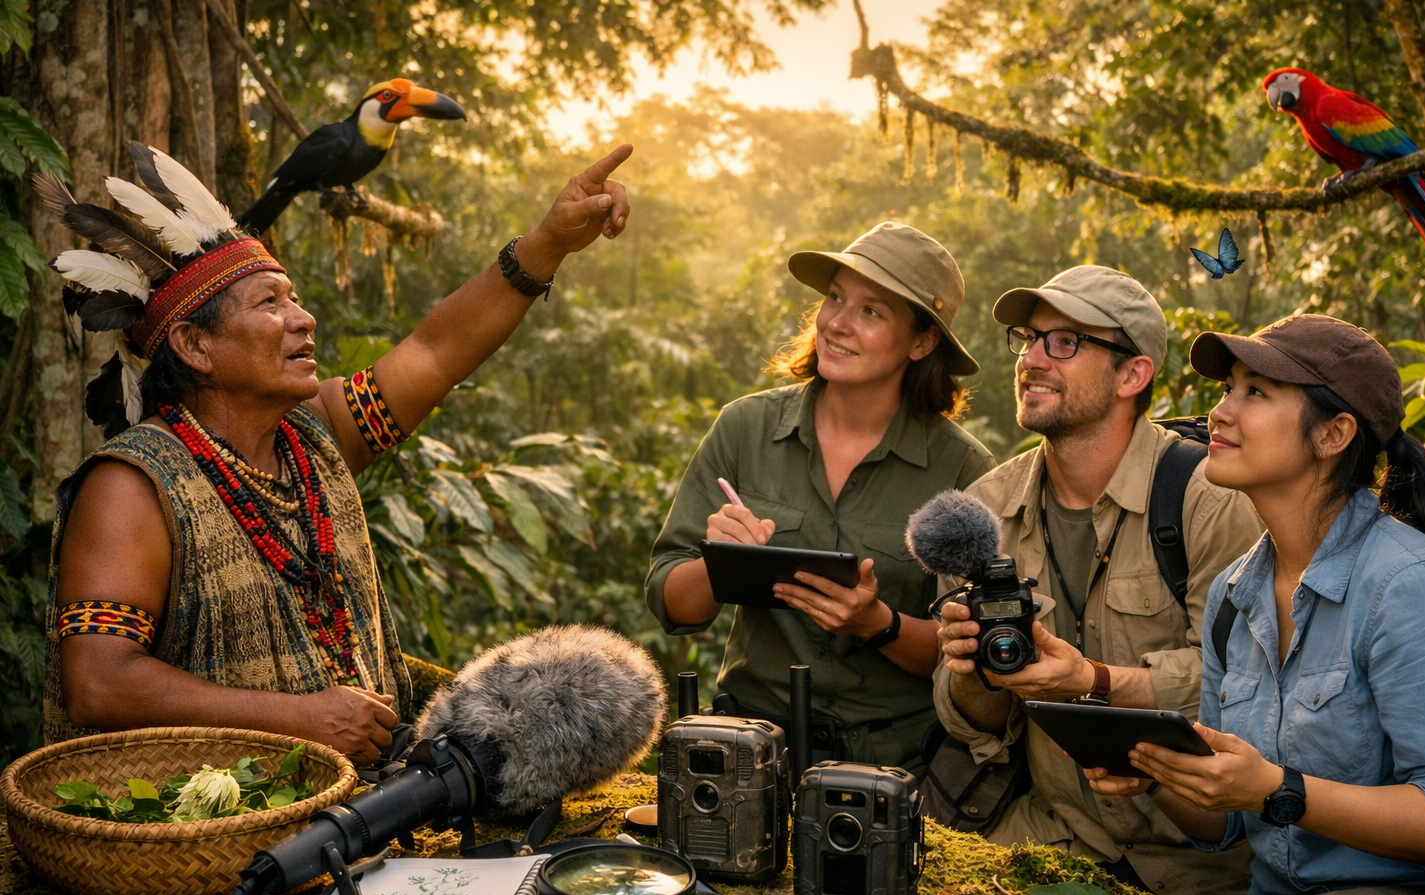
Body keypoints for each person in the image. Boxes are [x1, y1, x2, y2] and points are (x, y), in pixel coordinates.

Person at [43, 143, 632, 765]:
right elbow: (98, 683)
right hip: (212, 834)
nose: (305, 319)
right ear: (194, 345)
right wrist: (301, 720)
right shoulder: (132, 486)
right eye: (271, 303)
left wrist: (549, 241)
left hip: (356, 810)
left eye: (293, 297)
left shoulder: (316, 434)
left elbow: (435, 352)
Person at [1084, 314, 1425, 895]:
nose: (1220, 410)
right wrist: (1164, 776)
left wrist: (1277, 788)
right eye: (1227, 388)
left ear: (1333, 436)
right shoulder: (1236, 596)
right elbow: (1226, 827)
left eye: (1256, 392)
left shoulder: (1407, 587)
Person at [934, 266, 1263, 895]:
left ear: (1131, 375)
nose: (1031, 358)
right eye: (1027, 339)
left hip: (1195, 863)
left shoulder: (1211, 500)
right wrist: (978, 672)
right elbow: (971, 724)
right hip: (1049, 835)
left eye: (1064, 342)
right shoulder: (981, 514)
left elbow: (1246, 690)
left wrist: (1096, 683)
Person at [645, 222, 995, 773]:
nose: (837, 323)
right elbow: (669, 601)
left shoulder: (964, 469)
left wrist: (879, 624)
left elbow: (973, 650)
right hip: (751, 752)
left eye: (871, 312)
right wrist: (719, 562)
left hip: (899, 767)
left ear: (922, 341)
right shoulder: (746, 428)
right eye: (835, 298)